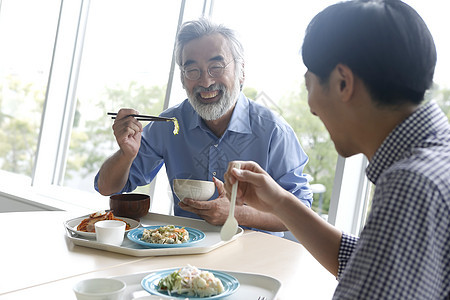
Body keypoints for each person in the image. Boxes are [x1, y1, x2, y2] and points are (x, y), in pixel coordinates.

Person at [224, 0, 450, 298]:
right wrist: (279, 201)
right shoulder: (436, 160)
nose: (312, 107)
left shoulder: (410, 184)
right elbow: (368, 262)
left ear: (343, 82)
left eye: (310, 84)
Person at [94, 18, 313, 236]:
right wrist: (125, 154)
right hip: (186, 255)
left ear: (241, 71)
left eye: (216, 67)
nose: (206, 82)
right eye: (193, 70)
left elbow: (302, 212)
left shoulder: (274, 131)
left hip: (255, 256)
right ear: (182, 77)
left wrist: (238, 214)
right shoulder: (169, 124)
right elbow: (107, 188)